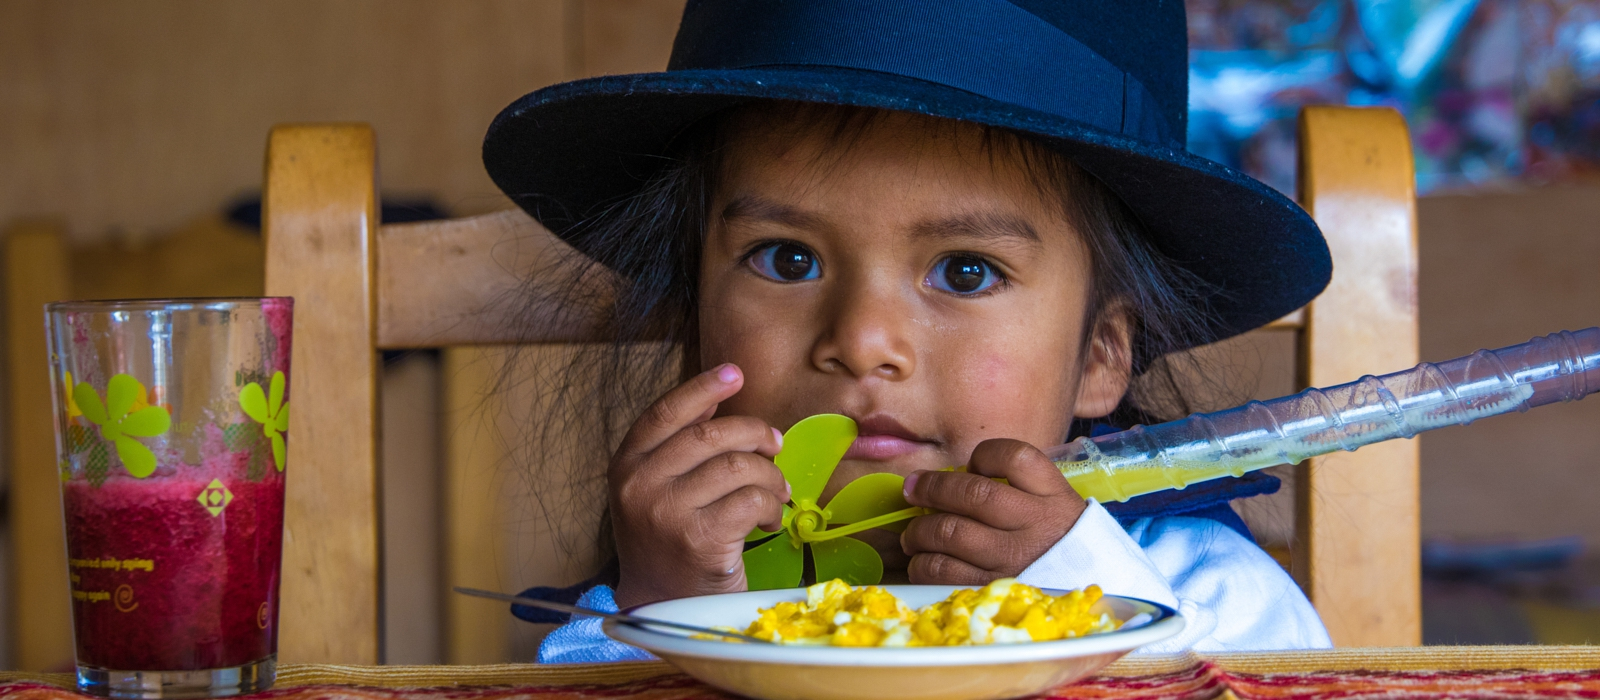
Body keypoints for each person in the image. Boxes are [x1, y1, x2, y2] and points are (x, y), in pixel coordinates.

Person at [479, 0, 1335, 661]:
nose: (862, 339)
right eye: (786, 259)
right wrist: (677, 622)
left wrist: (1075, 598)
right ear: (695, 314)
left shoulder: (1201, 594)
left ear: (1101, 356)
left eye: (965, 271)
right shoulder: (652, 596)